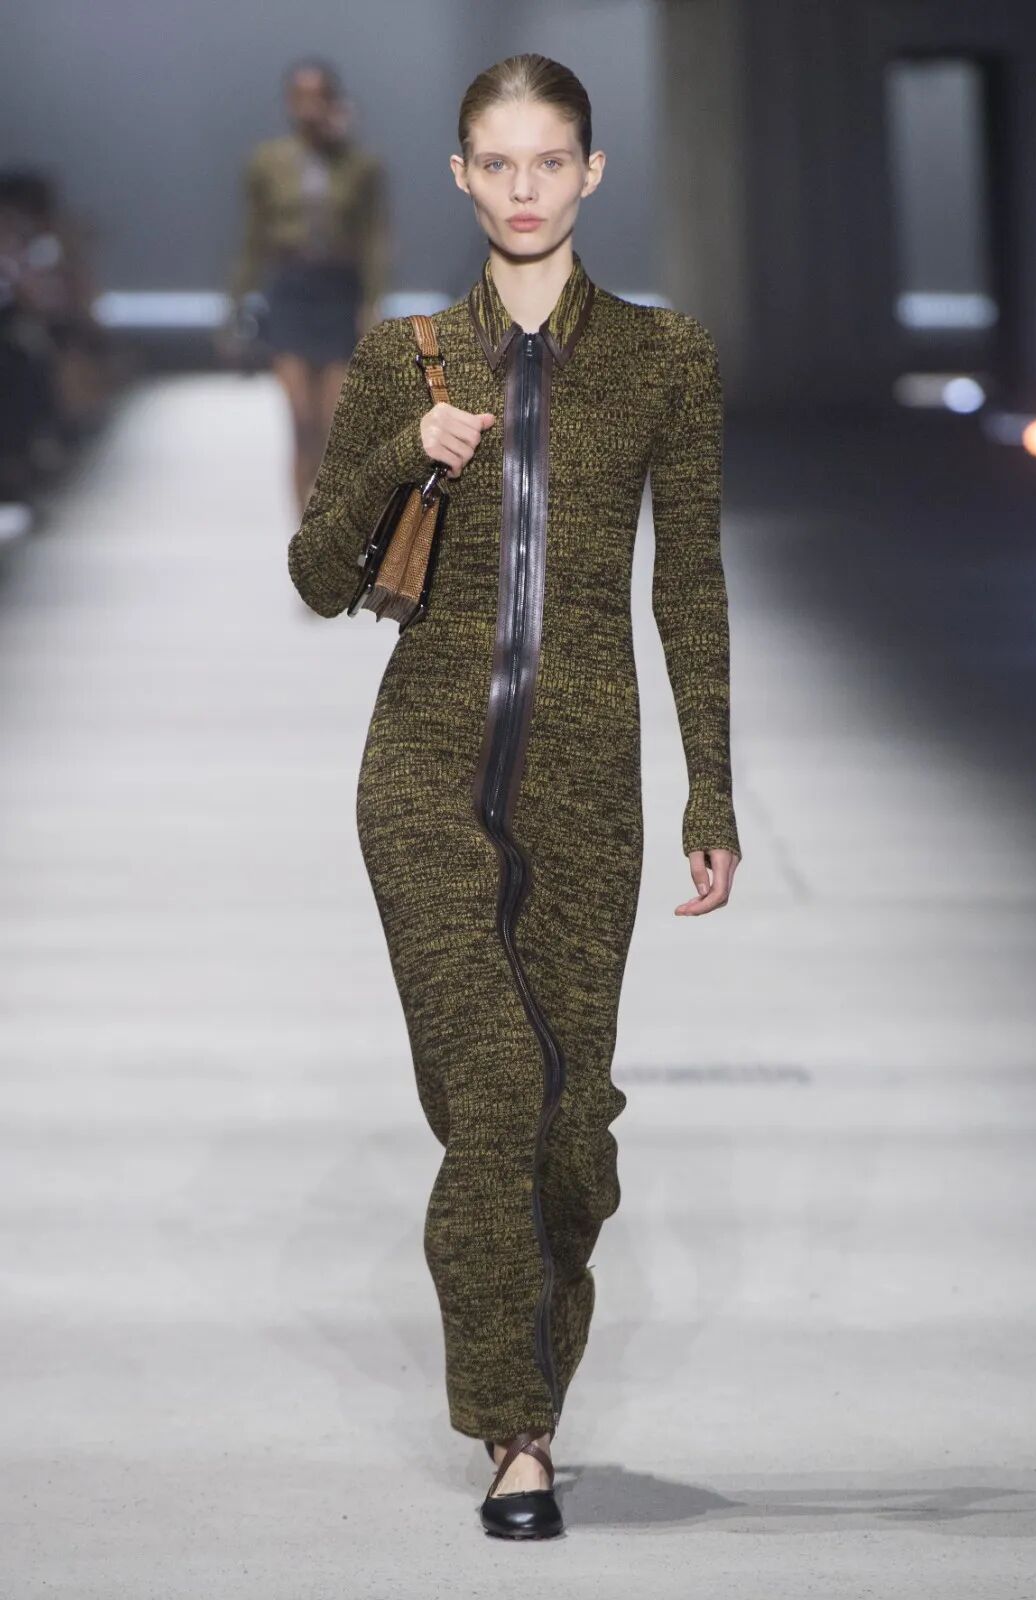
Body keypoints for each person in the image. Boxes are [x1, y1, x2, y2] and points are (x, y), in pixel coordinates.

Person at [286, 53, 742, 1541]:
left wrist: (710, 791)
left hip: (589, 788)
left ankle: (530, 1367)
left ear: (591, 172)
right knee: (493, 1095)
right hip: (420, 772)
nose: (526, 188)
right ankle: (518, 1431)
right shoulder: (405, 356)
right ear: (460, 176)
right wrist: (394, 459)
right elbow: (316, 575)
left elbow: (689, 586)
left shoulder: (665, 359)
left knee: (569, 1131)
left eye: (552, 161)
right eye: (499, 162)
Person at [227, 57, 390, 513]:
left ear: (335, 101)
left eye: (319, 97)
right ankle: (305, 531)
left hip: (339, 289)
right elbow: (252, 236)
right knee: (300, 419)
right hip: (290, 289)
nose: (310, 107)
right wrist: (236, 303)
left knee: (334, 422)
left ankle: (328, 528)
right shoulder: (267, 162)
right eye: (301, 97)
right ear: (288, 102)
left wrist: (373, 303)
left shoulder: (361, 165)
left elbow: (375, 239)